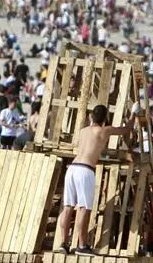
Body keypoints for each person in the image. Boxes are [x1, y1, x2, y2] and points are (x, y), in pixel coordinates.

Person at [55, 104, 136, 256]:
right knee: (83, 208)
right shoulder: (105, 130)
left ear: (91, 117)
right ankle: (82, 246)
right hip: (85, 170)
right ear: (105, 118)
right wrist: (134, 113)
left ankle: (63, 244)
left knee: (68, 207)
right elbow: (126, 129)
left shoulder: (82, 131)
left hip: (72, 168)